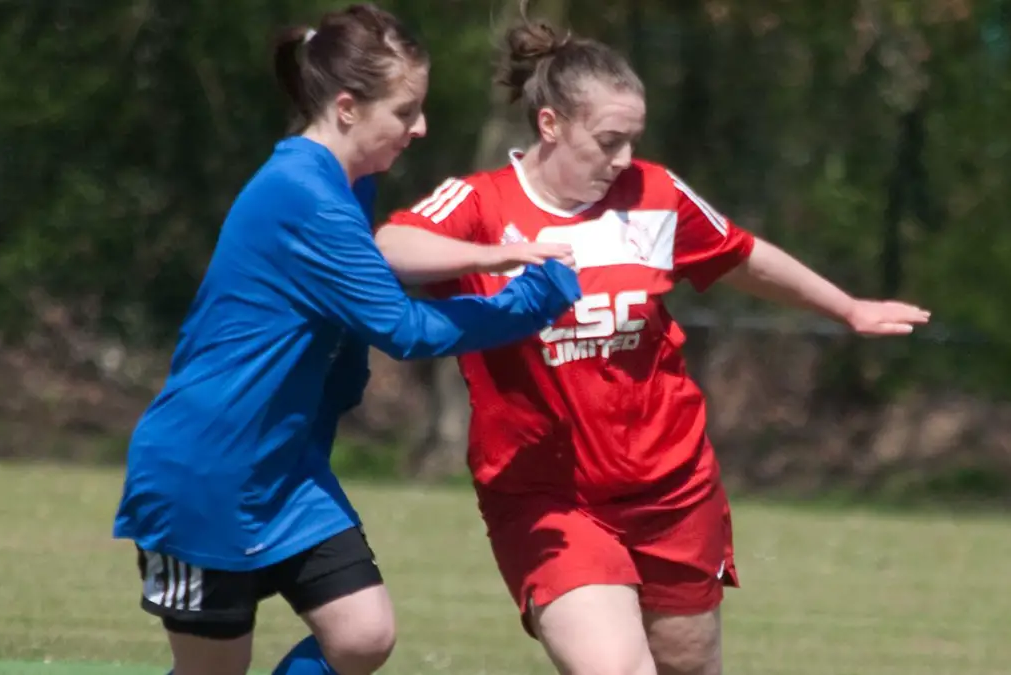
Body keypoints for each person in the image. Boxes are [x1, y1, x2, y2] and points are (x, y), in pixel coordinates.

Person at [372, 6, 932, 675]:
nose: (624, 157)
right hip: (547, 498)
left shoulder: (655, 195)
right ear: (550, 125)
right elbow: (389, 246)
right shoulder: (481, 203)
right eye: (609, 139)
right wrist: (497, 256)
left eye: (632, 138)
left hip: (671, 486)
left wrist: (848, 308)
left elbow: (742, 255)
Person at [110, 5, 582, 675]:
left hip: (285, 469)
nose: (420, 128)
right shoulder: (302, 194)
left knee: (362, 633)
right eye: (405, 110)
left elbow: (371, 264)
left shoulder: (349, 182)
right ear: (347, 106)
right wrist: (527, 303)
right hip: (207, 471)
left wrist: (494, 255)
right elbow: (403, 329)